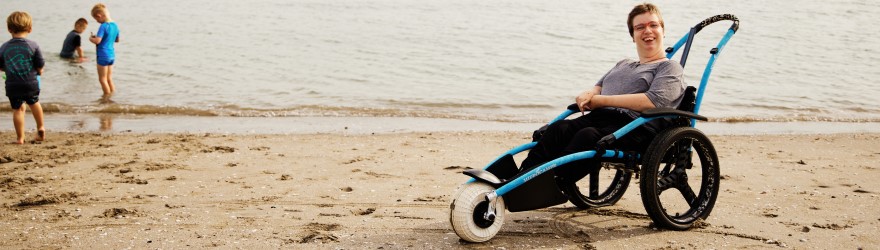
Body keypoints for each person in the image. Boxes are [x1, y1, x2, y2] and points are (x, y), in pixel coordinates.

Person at [519, 3, 686, 184]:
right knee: (558, 128)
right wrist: (588, 94)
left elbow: (654, 101)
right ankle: (521, 177)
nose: (647, 31)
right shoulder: (623, 64)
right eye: (640, 27)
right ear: (633, 36)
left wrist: (600, 101)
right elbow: (598, 87)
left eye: (653, 25)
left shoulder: (669, 67)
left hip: (635, 126)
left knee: (587, 136)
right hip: (601, 117)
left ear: (663, 30)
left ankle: (552, 182)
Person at [0, 11, 46, 144]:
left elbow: (1, 65)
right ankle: (41, 127)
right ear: (30, 29)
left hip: (13, 84)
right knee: (34, 103)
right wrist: (39, 70)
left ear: (9, 29)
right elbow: (40, 63)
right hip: (30, 82)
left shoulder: (4, 47)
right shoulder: (33, 45)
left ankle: (20, 138)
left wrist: (5, 68)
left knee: (18, 109)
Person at [88, 3, 120, 101]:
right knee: (109, 79)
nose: (97, 21)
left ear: (99, 15)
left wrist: (91, 39)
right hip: (111, 56)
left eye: (96, 19)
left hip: (102, 55)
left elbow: (98, 41)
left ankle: (106, 99)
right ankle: (112, 97)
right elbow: (117, 40)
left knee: (102, 79)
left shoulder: (103, 26)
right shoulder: (115, 25)